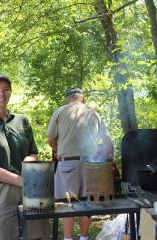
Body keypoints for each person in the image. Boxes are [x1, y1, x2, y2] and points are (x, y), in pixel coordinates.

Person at [0, 73, 49, 240]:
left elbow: (33, 152)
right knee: (0, 234)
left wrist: (28, 165)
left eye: (6, 89)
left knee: (35, 234)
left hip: (30, 189)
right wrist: (20, 180)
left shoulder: (22, 121)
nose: (1, 94)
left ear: (11, 92)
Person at [47, 88, 114, 240]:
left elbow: (50, 138)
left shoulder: (60, 111)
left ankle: (68, 238)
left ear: (67, 99)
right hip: (91, 166)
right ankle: (84, 238)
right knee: (86, 203)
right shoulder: (92, 112)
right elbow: (106, 141)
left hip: (67, 164)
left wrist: (57, 150)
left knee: (67, 203)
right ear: (82, 98)